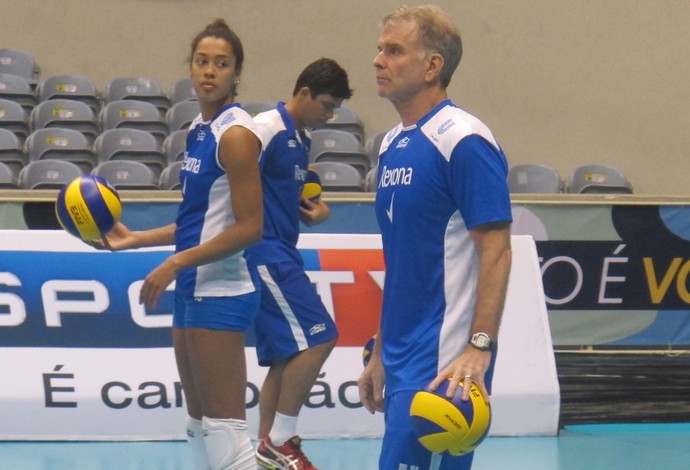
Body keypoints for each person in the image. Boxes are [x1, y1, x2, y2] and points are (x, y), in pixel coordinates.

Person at [94, 19, 263, 470]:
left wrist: (174, 264)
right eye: (202, 61)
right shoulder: (197, 130)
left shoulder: (237, 134)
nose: (210, 71)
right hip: (194, 285)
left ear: (236, 74)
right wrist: (136, 240)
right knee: (199, 424)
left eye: (221, 64)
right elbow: (197, 220)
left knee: (227, 433)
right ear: (191, 68)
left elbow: (250, 227)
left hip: (224, 290)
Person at [357, 5, 513, 470]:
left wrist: (479, 347)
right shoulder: (390, 144)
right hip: (401, 355)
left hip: (445, 359)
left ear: (432, 66)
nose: (378, 60)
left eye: (394, 50)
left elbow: (498, 250)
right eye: (380, 49)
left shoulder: (463, 139)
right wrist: (380, 351)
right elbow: (404, 261)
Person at [247, 58, 352, 470]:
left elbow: (278, 193)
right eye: (327, 105)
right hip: (263, 252)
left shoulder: (299, 138)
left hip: (282, 249)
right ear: (304, 93)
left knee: (284, 357)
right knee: (321, 337)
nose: (329, 115)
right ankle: (281, 441)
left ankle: (265, 449)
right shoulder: (265, 129)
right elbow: (230, 182)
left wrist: (316, 211)